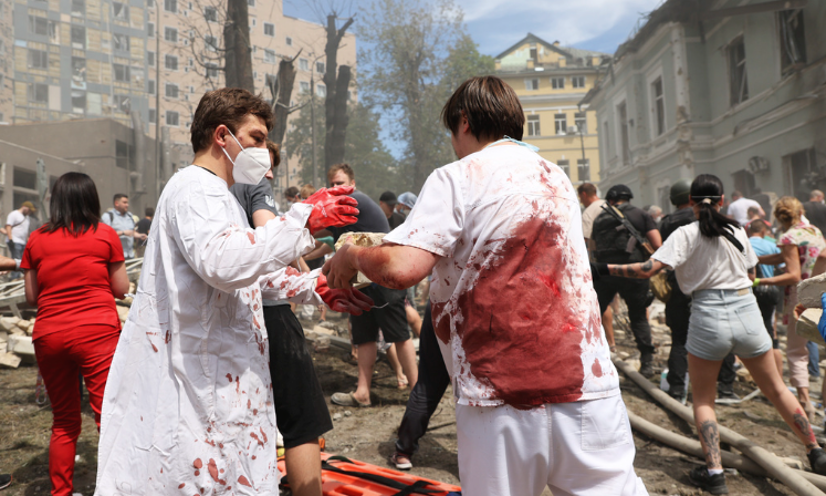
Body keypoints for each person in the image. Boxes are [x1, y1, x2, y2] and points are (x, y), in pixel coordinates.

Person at [324, 76, 646, 496]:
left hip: (500, 396)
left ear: (463, 122)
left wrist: (350, 254)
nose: (453, 145)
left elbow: (402, 268)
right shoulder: (556, 177)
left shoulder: (459, 176)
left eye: (451, 135)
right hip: (586, 387)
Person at [94, 88, 369, 495]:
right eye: (256, 138)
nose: (263, 149)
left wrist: (314, 285)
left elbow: (247, 277)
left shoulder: (220, 196)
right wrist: (302, 220)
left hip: (222, 383)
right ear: (222, 135)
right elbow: (221, 262)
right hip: (199, 386)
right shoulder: (195, 187)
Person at [593, 174, 826, 494]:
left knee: (703, 400)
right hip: (747, 311)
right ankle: (816, 451)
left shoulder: (684, 233)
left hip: (707, 315)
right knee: (777, 389)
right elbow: (750, 272)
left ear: (690, 202)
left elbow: (646, 270)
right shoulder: (738, 231)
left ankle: (715, 473)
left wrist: (603, 269)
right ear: (722, 200)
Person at [230, 140, 340, 496]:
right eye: (266, 164)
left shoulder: (201, 190)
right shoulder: (252, 183)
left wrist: (303, 271)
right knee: (302, 422)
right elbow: (270, 239)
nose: (270, 173)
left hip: (225, 324)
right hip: (271, 318)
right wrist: (315, 280)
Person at [21, 172, 129, 496]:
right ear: (92, 200)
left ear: (56, 201)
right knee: (106, 418)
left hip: (50, 334)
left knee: (65, 422)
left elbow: (31, 296)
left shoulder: (37, 238)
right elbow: (121, 288)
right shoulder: (105, 233)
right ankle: (117, 489)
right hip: (97, 332)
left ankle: (61, 493)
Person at [311, 164, 418, 408]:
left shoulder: (353, 202)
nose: (336, 188)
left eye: (341, 183)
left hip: (383, 279)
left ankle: (417, 391)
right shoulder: (341, 206)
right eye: (333, 184)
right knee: (365, 338)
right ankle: (363, 392)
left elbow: (319, 227)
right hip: (362, 282)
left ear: (353, 183)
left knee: (399, 335)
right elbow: (325, 235)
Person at [659, 180, 738, 404]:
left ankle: (676, 390)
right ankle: (726, 389)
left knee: (679, 338)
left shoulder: (667, 223)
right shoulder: (714, 218)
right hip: (711, 285)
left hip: (679, 286)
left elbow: (661, 254)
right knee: (722, 335)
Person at [755, 196, 826, 422]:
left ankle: (805, 402)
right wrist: (757, 259)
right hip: (821, 290)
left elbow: (793, 273)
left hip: (800, 295)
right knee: (816, 343)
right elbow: (788, 257)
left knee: (796, 351)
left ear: (778, 216)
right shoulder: (814, 231)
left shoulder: (788, 237)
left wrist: (758, 282)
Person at [591, 184, 662, 376]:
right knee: (638, 316)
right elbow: (657, 244)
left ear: (611, 200)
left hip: (605, 273)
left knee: (594, 316)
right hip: (634, 272)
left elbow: (593, 248)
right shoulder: (641, 214)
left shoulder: (600, 218)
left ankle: (593, 358)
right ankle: (646, 363)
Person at [390, 301, 451, 470]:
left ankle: (403, 452)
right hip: (481, 307)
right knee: (478, 391)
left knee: (428, 384)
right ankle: (485, 458)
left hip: (442, 301)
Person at [577, 183, 616, 352]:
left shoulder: (589, 211)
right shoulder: (610, 206)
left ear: (584, 194)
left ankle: (608, 342)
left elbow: (584, 241)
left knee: (600, 303)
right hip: (621, 260)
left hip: (600, 262)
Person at [748, 219, 784, 377]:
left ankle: (749, 368)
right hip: (769, 290)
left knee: (749, 329)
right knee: (770, 331)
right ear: (763, 232)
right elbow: (783, 267)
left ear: (749, 231)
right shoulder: (771, 245)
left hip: (749, 291)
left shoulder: (744, 243)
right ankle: (776, 375)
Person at [101, 194, 146, 259]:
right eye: (124, 202)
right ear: (116, 203)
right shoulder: (108, 216)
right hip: (115, 257)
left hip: (130, 256)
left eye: (127, 203)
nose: (127, 205)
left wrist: (140, 235)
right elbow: (104, 236)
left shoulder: (129, 216)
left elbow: (132, 232)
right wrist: (122, 233)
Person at [5, 201, 34, 278]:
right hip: (15, 241)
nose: (29, 212)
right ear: (24, 207)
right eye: (29, 210)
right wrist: (10, 239)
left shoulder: (26, 217)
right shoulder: (14, 214)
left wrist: (29, 242)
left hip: (23, 242)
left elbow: (26, 231)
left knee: (22, 260)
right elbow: (8, 226)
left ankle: (17, 277)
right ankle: (14, 278)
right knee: (16, 260)